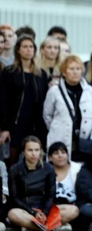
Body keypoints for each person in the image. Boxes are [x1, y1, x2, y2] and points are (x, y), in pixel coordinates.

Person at [7, 136, 73, 231]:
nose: (34, 154)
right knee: (12, 214)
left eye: (37, 150)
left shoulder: (48, 168)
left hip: (44, 209)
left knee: (73, 210)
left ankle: (32, 228)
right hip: (26, 211)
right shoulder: (15, 170)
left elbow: (51, 194)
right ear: (23, 152)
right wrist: (33, 212)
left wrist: (45, 212)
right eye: (30, 150)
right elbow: (14, 197)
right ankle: (51, 228)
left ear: (41, 151)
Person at [0, 34, 48, 167]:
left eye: (31, 47)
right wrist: (4, 128)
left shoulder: (41, 74)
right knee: (12, 163)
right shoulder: (9, 72)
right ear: (18, 50)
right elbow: (3, 101)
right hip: (14, 125)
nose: (28, 50)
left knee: (35, 163)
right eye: (25, 47)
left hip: (36, 126)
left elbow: (44, 102)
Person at [43, 54, 92, 164]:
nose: (75, 72)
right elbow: (47, 116)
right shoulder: (54, 91)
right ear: (64, 72)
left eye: (78, 68)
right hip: (61, 139)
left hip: (83, 142)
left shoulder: (89, 90)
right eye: (71, 69)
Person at [47, 142, 81, 228]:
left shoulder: (78, 169)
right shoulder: (44, 171)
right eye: (56, 153)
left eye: (63, 152)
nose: (60, 156)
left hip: (71, 207)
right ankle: (57, 225)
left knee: (74, 211)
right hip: (50, 208)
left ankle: (41, 226)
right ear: (50, 158)